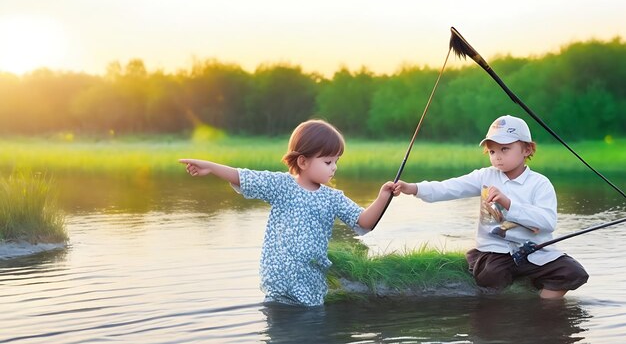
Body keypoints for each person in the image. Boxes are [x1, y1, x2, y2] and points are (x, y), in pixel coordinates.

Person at [180, 119, 394, 307]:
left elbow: (365, 222)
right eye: (328, 162)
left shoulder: (333, 198)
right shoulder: (282, 186)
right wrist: (210, 167)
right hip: (277, 284)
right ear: (302, 161)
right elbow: (244, 176)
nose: (334, 167)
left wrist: (383, 197)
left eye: (336, 161)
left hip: (309, 286)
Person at [392, 115, 588, 299]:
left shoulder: (540, 183)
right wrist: (413, 188)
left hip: (536, 252)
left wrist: (508, 203)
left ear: (527, 150)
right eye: (492, 151)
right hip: (496, 250)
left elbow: (547, 222)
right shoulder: (485, 176)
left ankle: (544, 307)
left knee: (573, 273)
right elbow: (449, 187)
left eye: (505, 149)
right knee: (491, 276)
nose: (497, 157)